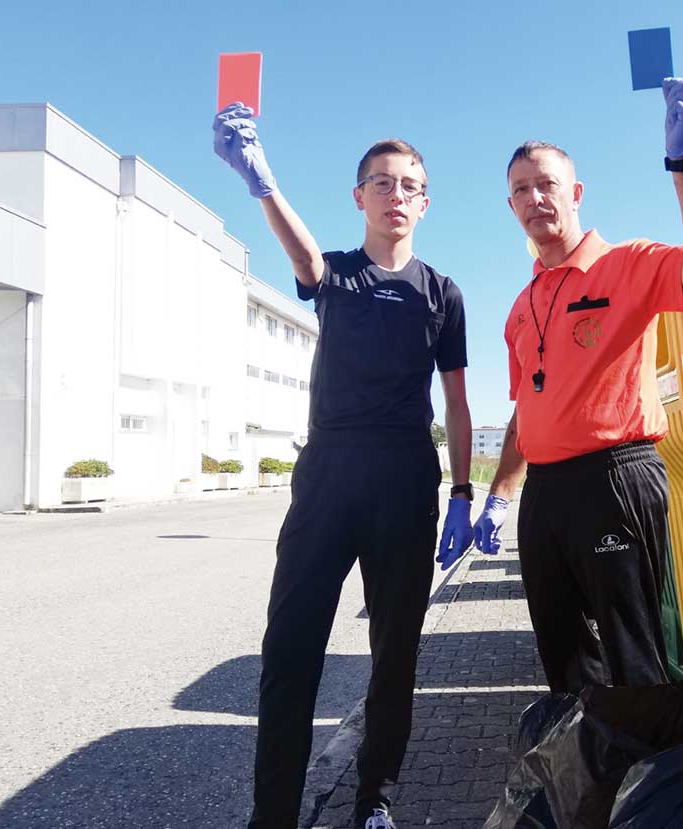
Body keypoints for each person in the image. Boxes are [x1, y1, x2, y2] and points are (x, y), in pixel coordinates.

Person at [212, 104, 476, 829]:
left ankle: (374, 800)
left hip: (404, 482)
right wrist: (260, 180)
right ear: (359, 196)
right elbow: (303, 259)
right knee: (291, 648)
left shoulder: (441, 292)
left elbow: (455, 400)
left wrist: (460, 489)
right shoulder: (338, 275)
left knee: (395, 656)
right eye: (381, 182)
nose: (396, 194)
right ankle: (273, 816)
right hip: (328, 475)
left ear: (425, 202)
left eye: (409, 185)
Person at [472, 78, 683, 694]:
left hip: (616, 477)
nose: (535, 198)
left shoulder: (628, 264)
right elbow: (523, 412)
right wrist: (501, 495)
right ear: (511, 207)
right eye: (521, 191)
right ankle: (586, 773)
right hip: (545, 494)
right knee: (563, 656)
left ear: (576, 193)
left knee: (637, 652)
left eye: (546, 185)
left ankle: (657, 780)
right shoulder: (520, 305)